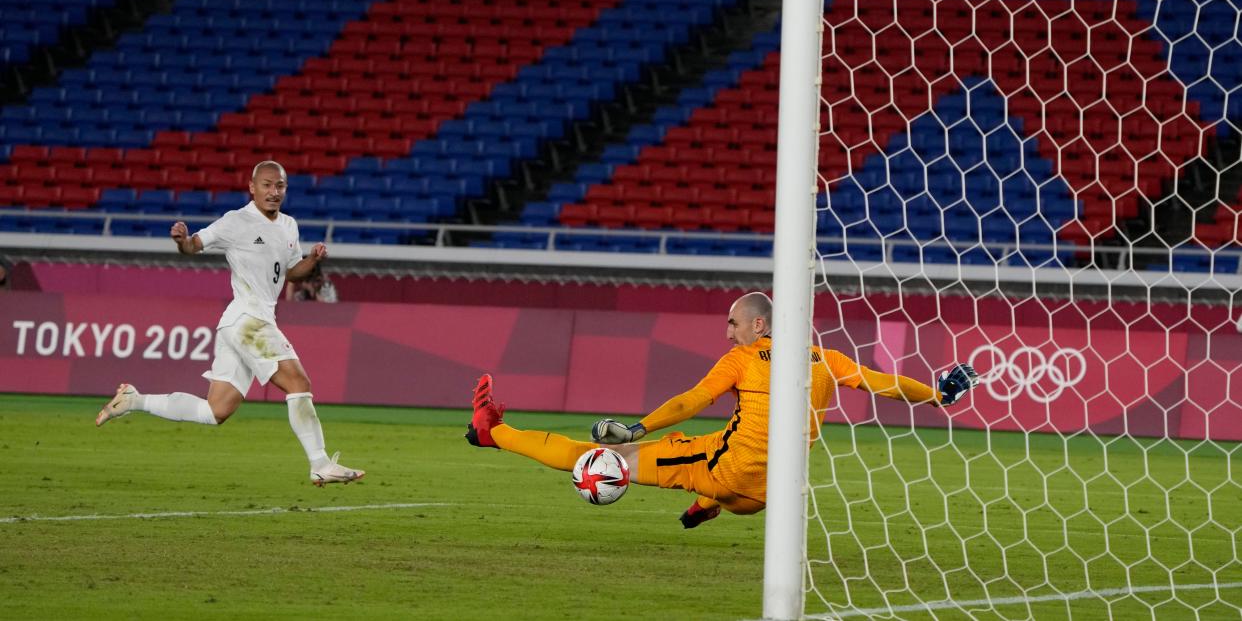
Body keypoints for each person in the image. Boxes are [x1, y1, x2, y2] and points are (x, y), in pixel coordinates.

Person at [466, 291, 976, 527]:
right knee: (730, 464)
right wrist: (938, 394)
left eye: (733, 323)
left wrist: (635, 427)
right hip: (772, 497)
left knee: (593, 457)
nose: (727, 331)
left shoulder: (744, 357)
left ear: (758, 327)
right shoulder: (826, 358)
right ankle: (705, 507)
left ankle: (494, 433)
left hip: (724, 472)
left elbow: (693, 399)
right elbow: (885, 385)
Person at [95, 160, 365, 487]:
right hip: (248, 320)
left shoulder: (289, 225)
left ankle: (134, 400)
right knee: (298, 383)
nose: (273, 191)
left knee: (216, 411)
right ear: (252, 187)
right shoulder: (236, 222)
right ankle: (320, 463)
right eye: (266, 185)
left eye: (279, 186)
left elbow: (291, 271)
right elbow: (194, 245)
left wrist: (312, 259)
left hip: (242, 323)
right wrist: (181, 240)